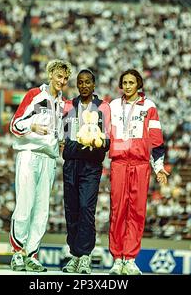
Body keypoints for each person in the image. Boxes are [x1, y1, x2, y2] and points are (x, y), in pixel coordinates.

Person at [8, 59, 72, 272]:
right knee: (25, 204)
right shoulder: (35, 94)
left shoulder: (65, 105)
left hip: (49, 159)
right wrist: (32, 125)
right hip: (29, 154)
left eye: (65, 78)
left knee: (42, 210)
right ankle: (18, 252)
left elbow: (62, 135)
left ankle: (31, 254)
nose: (61, 81)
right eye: (59, 76)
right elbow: (14, 125)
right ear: (50, 75)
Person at [108, 69, 169, 275]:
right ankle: (117, 258)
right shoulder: (113, 106)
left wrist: (158, 167)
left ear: (138, 84)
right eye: (124, 82)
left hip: (141, 165)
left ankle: (130, 259)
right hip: (118, 164)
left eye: (131, 82)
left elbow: (156, 139)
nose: (127, 86)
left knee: (137, 212)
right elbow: (105, 135)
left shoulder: (149, 106)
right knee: (118, 211)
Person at [61, 69, 111, 274]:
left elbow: (106, 142)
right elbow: (64, 146)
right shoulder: (68, 107)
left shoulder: (103, 108)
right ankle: (74, 255)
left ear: (94, 84)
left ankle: (85, 256)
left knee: (86, 209)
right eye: (80, 82)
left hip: (91, 168)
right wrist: (85, 145)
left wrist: (89, 145)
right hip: (71, 166)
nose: (84, 86)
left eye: (88, 82)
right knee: (71, 211)